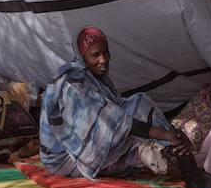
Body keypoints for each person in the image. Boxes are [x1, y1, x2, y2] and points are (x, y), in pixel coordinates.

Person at [39, 26, 193, 180]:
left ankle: (175, 151)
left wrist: (172, 135)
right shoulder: (73, 83)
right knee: (139, 132)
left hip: (85, 151)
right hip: (65, 159)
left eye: (105, 52)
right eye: (95, 55)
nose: (103, 59)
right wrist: (167, 134)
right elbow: (116, 123)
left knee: (139, 106)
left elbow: (120, 116)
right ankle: (172, 156)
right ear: (82, 56)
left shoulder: (96, 81)